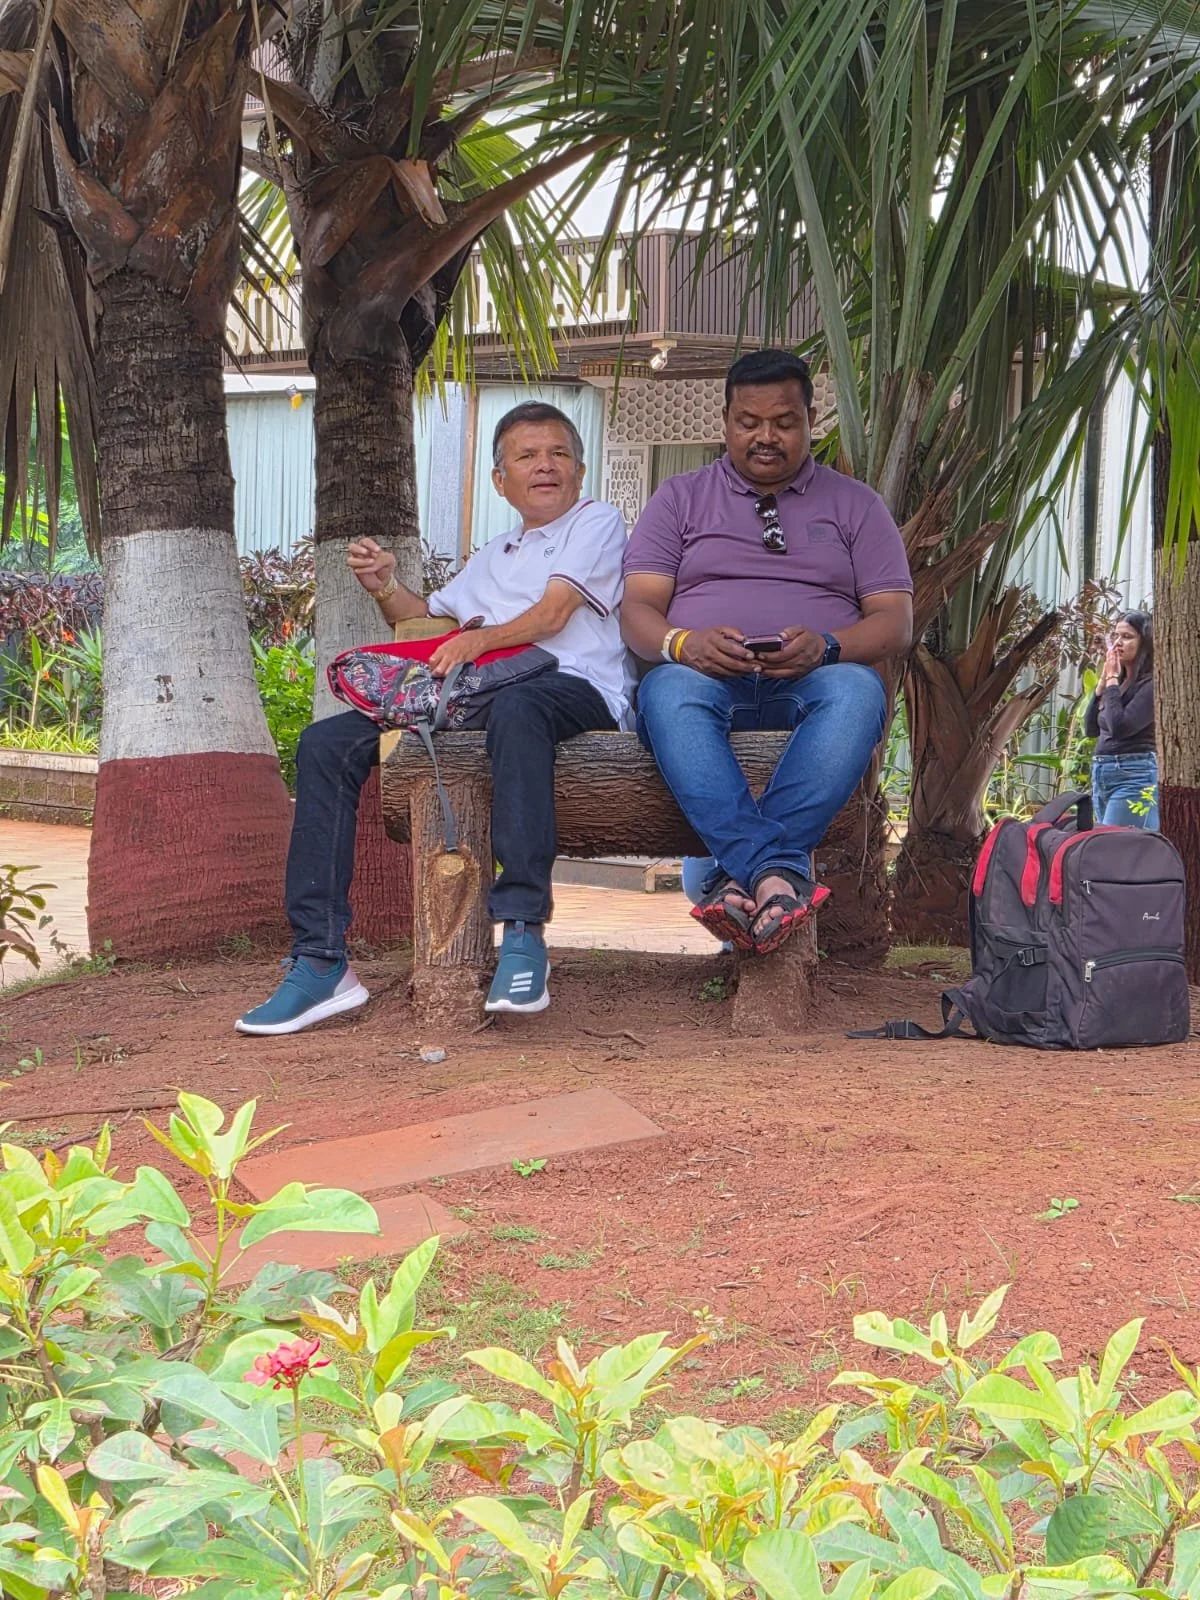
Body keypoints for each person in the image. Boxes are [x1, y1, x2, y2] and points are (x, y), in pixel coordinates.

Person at [237, 402, 629, 1033]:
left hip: (573, 687)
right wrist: (385, 585)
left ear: (580, 471)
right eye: (526, 456)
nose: (545, 465)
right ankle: (321, 960)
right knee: (324, 743)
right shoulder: (495, 552)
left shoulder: (597, 521)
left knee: (521, 705)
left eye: (557, 453)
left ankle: (524, 931)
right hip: (478, 697)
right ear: (500, 480)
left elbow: (553, 616)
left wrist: (477, 642)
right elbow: (427, 622)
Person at [621, 348, 913, 954]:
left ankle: (739, 875)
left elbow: (894, 624)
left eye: (784, 422)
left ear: (810, 421)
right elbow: (638, 611)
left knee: (859, 690)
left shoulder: (856, 505)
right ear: (725, 421)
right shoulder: (678, 498)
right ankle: (776, 874)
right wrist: (684, 643)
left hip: (810, 682)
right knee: (666, 689)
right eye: (748, 422)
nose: (766, 436)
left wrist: (828, 647)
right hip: (706, 679)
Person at [1084, 610, 1158, 829]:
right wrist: (1101, 686)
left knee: (1114, 850)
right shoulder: (1118, 684)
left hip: (1135, 775)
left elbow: (1119, 727)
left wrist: (1113, 679)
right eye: (1115, 636)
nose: (1117, 643)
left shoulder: (1152, 684)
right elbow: (1090, 728)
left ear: (1144, 642)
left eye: (1127, 637)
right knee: (1108, 849)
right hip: (1103, 773)